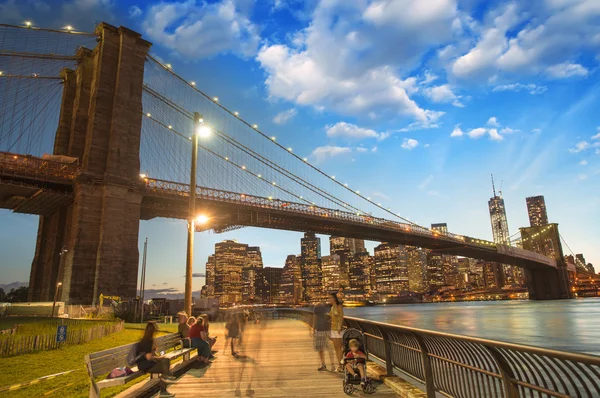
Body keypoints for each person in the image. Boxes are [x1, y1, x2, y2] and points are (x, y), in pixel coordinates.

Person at [134, 322, 176, 397]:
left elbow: (151, 355)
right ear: (152, 331)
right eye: (156, 330)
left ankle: (166, 378)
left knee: (166, 361)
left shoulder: (149, 340)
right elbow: (148, 357)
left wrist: (157, 355)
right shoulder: (146, 342)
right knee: (165, 366)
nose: (157, 332)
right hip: (145, 366)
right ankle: (164, 387)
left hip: (149, 363)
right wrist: (160, 358)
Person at [312, 302, 331, 371]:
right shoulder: (330, 306)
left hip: (320, 329)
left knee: (320, 348)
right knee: (329, 348)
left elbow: (315, 317)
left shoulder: (317, 306)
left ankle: (323, 364)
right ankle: (333, 365)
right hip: (328, 329)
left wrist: (313, 328)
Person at [329, 292, 344, 372]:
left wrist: (339, 327)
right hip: (332, 329)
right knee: (336, 348)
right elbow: (331, 318)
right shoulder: (332, 307)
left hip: (338, 330)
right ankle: (339, 364)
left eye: (330, 298)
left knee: (339, 348)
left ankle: (341, 365)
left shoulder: (339, 306)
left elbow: (341, 317)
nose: (329, 299)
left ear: (334, 299)